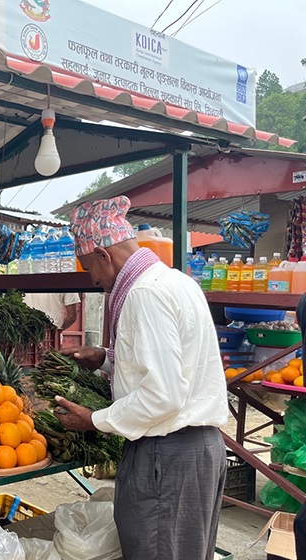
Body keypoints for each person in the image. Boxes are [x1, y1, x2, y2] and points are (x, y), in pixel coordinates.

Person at [55, 195, 228, 560]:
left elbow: (162, 395)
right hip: (198, 451)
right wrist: (105, 358)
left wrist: (94, 420)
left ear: (104, 254)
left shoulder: (143, 294)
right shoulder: (177, 282)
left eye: (90, 268)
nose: (93, 280)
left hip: (166, 456)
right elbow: (175, 364)